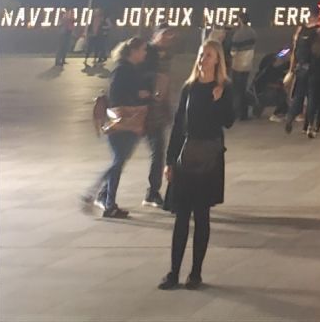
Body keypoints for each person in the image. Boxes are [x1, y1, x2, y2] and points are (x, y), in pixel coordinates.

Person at [158, 40, 235, 291]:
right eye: (201, 54)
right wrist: (170, 161)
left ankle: (195, 273)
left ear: (218, 60)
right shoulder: (189, 87)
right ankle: (173, 272)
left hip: (209, 158)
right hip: (186, 155)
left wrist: (219, 100)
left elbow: (229, 121)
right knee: (181, 216)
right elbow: (179, 126)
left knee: (201, 215)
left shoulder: (223, 88)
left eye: (209, 55)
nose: (203, 59)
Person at [83, 36, 152, 218]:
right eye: (143, 50)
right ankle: (103, 199)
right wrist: (139, 95)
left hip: (125, 122)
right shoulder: (123, 70)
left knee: (119, 162)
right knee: (118, 163)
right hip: (123, 122)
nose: (145, 53)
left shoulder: (128, 68)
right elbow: (117, 96)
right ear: (133, 51)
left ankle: (104, 196)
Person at [142, 27, 179, 207]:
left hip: (156, 110)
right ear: (154, 35)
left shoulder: (165, 55)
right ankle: (104, 191)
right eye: (164, 34)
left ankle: (153, 192)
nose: (167, 38)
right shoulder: (147, 53)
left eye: (169, 35)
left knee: (158, 151)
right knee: (122, 155)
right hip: (141, 110)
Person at [228, 17, 257, 121]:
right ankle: (244, 114)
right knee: (244, 89)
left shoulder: (238, 35)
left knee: (237, 91)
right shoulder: (253, 32)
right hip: (248, 65)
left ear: (240, 20)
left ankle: (236, 113)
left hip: (237, 65)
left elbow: (233, 52)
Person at [83, 8, 111, 72]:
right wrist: (87, 33)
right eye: (95, 12)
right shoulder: (92, 19)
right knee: (89, 48)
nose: (96, 13)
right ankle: (86, 59)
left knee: (97, 48)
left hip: (99, 36)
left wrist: (104, 28)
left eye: (97, 12)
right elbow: (89, 27)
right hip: (92, 36)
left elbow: (109, 26)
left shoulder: (103, 19)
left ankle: (95, 59)